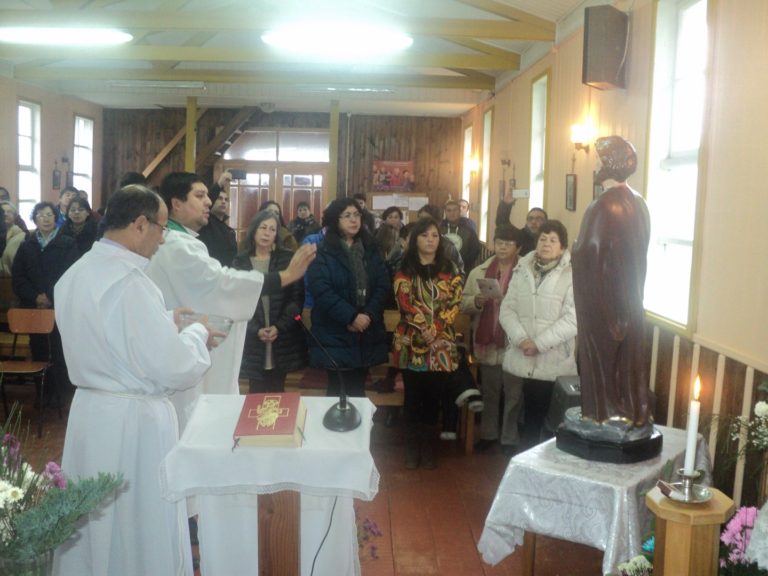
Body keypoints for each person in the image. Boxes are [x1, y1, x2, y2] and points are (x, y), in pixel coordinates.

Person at [52, 185, 215, 576]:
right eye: (161, 228)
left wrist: (167, 319)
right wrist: (198, 334)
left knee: (93, 525)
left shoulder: (74, 275)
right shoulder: (130, 282)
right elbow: (172, 366)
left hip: (92, 413)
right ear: (139, 225)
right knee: (138, 523)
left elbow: (112, 337)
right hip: (132, 424)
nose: (163, 239)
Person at [145, 172, 316, 432]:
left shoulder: (182, 241)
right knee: (188, 426)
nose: (208, 203)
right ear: (176, 203)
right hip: (179, 353)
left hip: (181, 346)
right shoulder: (176, 245)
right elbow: (222, 284)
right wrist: (287, 276)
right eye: (200, 196)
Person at [571, 135, 652, 428]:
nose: (595, 165)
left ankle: (604, 412)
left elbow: (588, 254)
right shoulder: (640, 203)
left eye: (598, 159)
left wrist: (574, 251)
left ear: (609, 164)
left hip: (603, 302)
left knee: (605, 364)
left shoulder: (602, 206)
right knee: (628, 363)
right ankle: (631, 408)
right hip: (631, 298)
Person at [499, 220, 577, 449]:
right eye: (543, 238)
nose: (546, 243)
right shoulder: (522, 269)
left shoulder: (571, 275)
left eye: (553, 240)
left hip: (551, 359)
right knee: (529, 418)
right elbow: (507, 308)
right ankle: (526, 463)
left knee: (551, 422)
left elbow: (573, 319)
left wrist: (539, 344)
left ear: (562, 248)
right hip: (523, 354)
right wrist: (522, 339)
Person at [392, 217, 464, 469]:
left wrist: (438, 329)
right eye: (424, 235)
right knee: (413, 397)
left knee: (434, 397)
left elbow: (455, 302)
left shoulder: (450, 268)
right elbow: (405, 303)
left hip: (441, 345)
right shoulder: (404, 267)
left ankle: (428, 446)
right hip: (411, 341)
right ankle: (411, 448)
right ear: (415, 240)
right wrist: (427, 330)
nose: (430, 240)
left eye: (435, 235)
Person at [305, 198, 390, 398]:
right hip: (335, 330)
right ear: (335, 220)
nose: (354, 220)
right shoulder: (323, 251)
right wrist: (351, 317)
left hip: (366, 331)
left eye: (357, 215)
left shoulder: (370, 249)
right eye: (347, 216)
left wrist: (367, 315)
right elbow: (322, 290)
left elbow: (383, 285)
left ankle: (357, 429)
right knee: (337, 390)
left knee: (358, 390)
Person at [461, 224, 524, 455]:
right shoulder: (480, 271)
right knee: (490, 390)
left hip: (513, 341)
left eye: (508, 244)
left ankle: (509, 438)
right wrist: (477, 301)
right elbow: (463, 303)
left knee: (514, 393)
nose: (503, 247)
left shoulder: (525, 273)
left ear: (518, 247)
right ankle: (488, 434)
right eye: (499, 243)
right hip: (487, 339)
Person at [233, 210, 307, 392]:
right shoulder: (240, 260)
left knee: (277, 390)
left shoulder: (287, 258)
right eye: (263, 228)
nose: (267, 233)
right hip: (252, 336)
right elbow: (236, 301)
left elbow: (296, 299)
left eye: (272, 229)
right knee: (255, 390)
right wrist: (255, 329)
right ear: (254, 230)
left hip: (281, 336)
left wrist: (279, 327)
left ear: (277, 234)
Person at [12, 201, 79, 403]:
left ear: (56, 218)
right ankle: (44, 395)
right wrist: (35, 296)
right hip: (34, 307)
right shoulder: (26, 246)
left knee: (59, 350)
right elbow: (19, 278)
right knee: (39, 350)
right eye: (41, 215)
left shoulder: (68, 243)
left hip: (58, 306)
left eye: (49, 215)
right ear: (35, 219)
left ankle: (61, 395)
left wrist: (50, 296)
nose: (46, 219)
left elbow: (70, 273)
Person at [197, 173, 237, 267]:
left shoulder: (228, 229)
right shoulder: (205, 222)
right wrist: (219, 184)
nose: (223, 202)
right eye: (219, 198)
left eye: (226, 200)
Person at [495, 190, 547, 256]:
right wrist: (506, 204)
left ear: (546, 222)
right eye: (530, 219)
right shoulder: (519, 236)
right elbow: (502, 224)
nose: (533, 222)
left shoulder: (550, 240)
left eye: (539, 219)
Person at [441, 199, 481, 270]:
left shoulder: (469, 229)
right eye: (449, 210)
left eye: (455, 210)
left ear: (459, 212)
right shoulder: (439, 229)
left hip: (464, 269)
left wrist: (463, 263)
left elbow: (475, 249)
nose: (452, 213)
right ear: (445, 212)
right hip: (442, 268)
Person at [0, 201, 26, 275]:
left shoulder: (20, 235)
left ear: (15, 216)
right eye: (3, 212)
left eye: (9, 212)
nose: (5, 214)